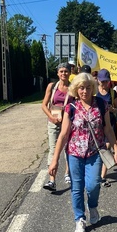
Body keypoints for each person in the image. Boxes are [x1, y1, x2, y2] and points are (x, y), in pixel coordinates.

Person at [48, 72, 117, 232]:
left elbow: (108, 128)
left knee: (94, 185)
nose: (85, 91)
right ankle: (79, 218)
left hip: (95, 152)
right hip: (74, 154)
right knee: (77, 188)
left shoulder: (101, 104)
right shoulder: (70, 108)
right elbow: (64, 134)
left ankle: (92, 206)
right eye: (81, 88)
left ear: (93, 88)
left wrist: (115, 148)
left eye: (88, 88)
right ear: (76, 89)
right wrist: (55, 160)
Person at [41, 62, 73, 191]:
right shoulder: (52, 86)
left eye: (66, 71)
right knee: (53, 149)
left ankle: (67, 174)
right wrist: (51, 117)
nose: (63, 73)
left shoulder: (73, 87)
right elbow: (44, 104)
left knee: (69, 148)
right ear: (58, 73)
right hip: (53, 121)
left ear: (70, 73)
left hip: (68, 121)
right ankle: (51, 180)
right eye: (61, 71)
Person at [96, 68, 117, 186]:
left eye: (106, 81)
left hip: (110, 123)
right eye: (102, 81)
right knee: (97, 149)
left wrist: (112, 109)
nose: (104, 84)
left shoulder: (112, 92)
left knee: (107, 148)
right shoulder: (94, 92)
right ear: (98, 80)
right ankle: (96, 171)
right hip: (97, 124)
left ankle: (102, 176)